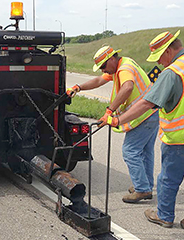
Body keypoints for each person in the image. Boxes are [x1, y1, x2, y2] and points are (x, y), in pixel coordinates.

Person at [103, 30, 184, 238]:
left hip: (182, 137)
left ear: (168, 50)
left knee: (168, 179)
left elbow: (146, 103)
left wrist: (117, 119)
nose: (159, 63)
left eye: (159, 57)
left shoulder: (173, 72)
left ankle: (165, 216)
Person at [66, 45, 159, 203]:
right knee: (145, 152)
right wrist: (79, 87)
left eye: (103, 66)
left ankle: (142, 189)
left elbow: (128, 87)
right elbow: (98, 80)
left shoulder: (124, 69)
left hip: (143, 116)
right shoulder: (120, 66)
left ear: (112, 59)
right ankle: (145, 185)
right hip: (150, 114)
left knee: (130, 151)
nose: (103, 70)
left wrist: (109, 111)